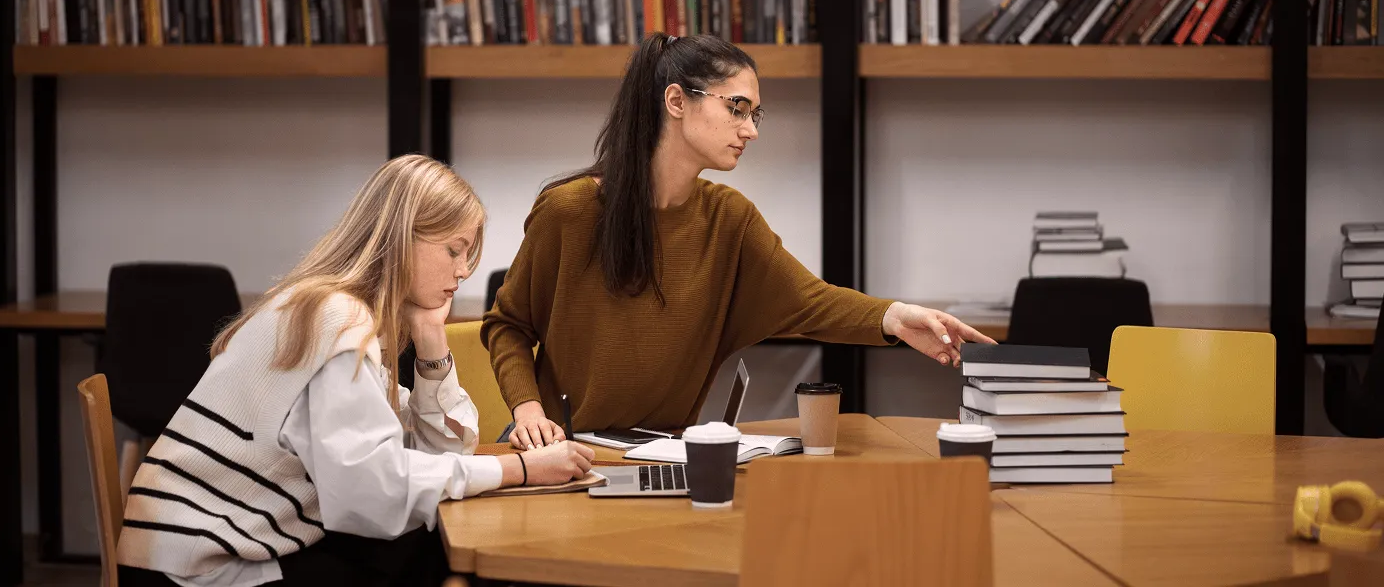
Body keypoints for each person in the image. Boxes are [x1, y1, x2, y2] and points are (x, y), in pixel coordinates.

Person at [481, 33, 999, 450]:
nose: (750, 129)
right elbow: (508, 324)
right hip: (561, 453)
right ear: (677, 101)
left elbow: (809, 301)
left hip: (665, 454)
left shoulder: (729, 219)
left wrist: (896, 317)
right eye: (737, 108)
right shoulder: (569, 211)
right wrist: (528, 412)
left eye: (755, 114)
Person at [116, 155, 595, 587]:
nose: (465, 269)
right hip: (196, 568)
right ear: (401, 237)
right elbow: (371, 495)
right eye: (454, 249)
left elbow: (440, 450)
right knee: (434, 553)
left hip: (211, 550)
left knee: (430, 544)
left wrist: (431, 339)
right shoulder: (336, 318)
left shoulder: (342, 310)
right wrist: (521, 469)